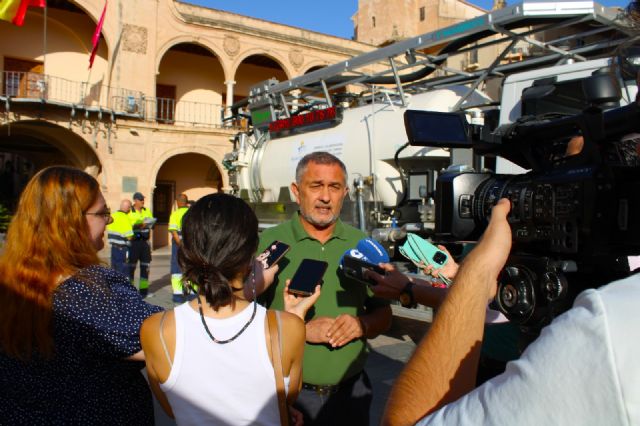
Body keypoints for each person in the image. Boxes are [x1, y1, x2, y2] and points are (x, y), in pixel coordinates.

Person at [382, 198, 640, 425]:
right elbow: (493, 296)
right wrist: (458, 274)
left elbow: (501, 302)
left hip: (516, 366)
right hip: (484, 360)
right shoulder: (503, 226)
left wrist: (418, 289)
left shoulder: (608, 316)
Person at [0, 166, 163, 424]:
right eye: (102, 213)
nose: (109, 220)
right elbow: (165, 338)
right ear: (70, 221)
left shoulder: (10, 282)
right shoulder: (87, 291)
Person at [141, 193, 314, 425]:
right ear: (250, 255)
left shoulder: (155, 329)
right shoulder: (289, 327)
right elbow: (286, 400)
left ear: (188, 250)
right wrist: (290, 319)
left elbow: (173, 409)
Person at [258, 151, 392, 425]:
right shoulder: (268, 244)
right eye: (316, 186)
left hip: (353, 396)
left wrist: (361, 325)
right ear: (297, 192)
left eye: (334, 187)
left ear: (345, 192)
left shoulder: (363, 245)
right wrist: (301, 331)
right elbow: (243, 322)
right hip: (288, 397)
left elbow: (384, 315)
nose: (325, 197)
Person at [129, 191, 155, 297]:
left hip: (144, 243)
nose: (143, 201)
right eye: (140, 199)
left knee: (145, 267)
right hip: (133, 243)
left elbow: (151, 223)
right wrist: (140, 225)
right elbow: (129, 226)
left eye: (143, 199)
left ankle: (143, 292)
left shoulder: (146, 211)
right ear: (135, 201)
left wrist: (150, 223)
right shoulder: (129, 212)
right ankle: (130, 292)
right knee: (131, 268)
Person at [168, 193, 190, 303]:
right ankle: (191, 294)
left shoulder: (175, 214)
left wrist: (181, 246)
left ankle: (178, 295)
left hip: (179, 246)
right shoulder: (192, 213)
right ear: (186, 202)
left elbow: (174, 232)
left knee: (177, 269)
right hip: (191, 246)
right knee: (191, 267)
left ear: (178, 203)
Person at [107, 199, 134, 277]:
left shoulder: (113, 215)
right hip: (122, 249)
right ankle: (122, 288)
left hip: (114, 248)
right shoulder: (125, 218)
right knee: (123, 272)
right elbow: (129, 237)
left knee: (114, 270)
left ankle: (114, 288)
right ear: (128, 208)